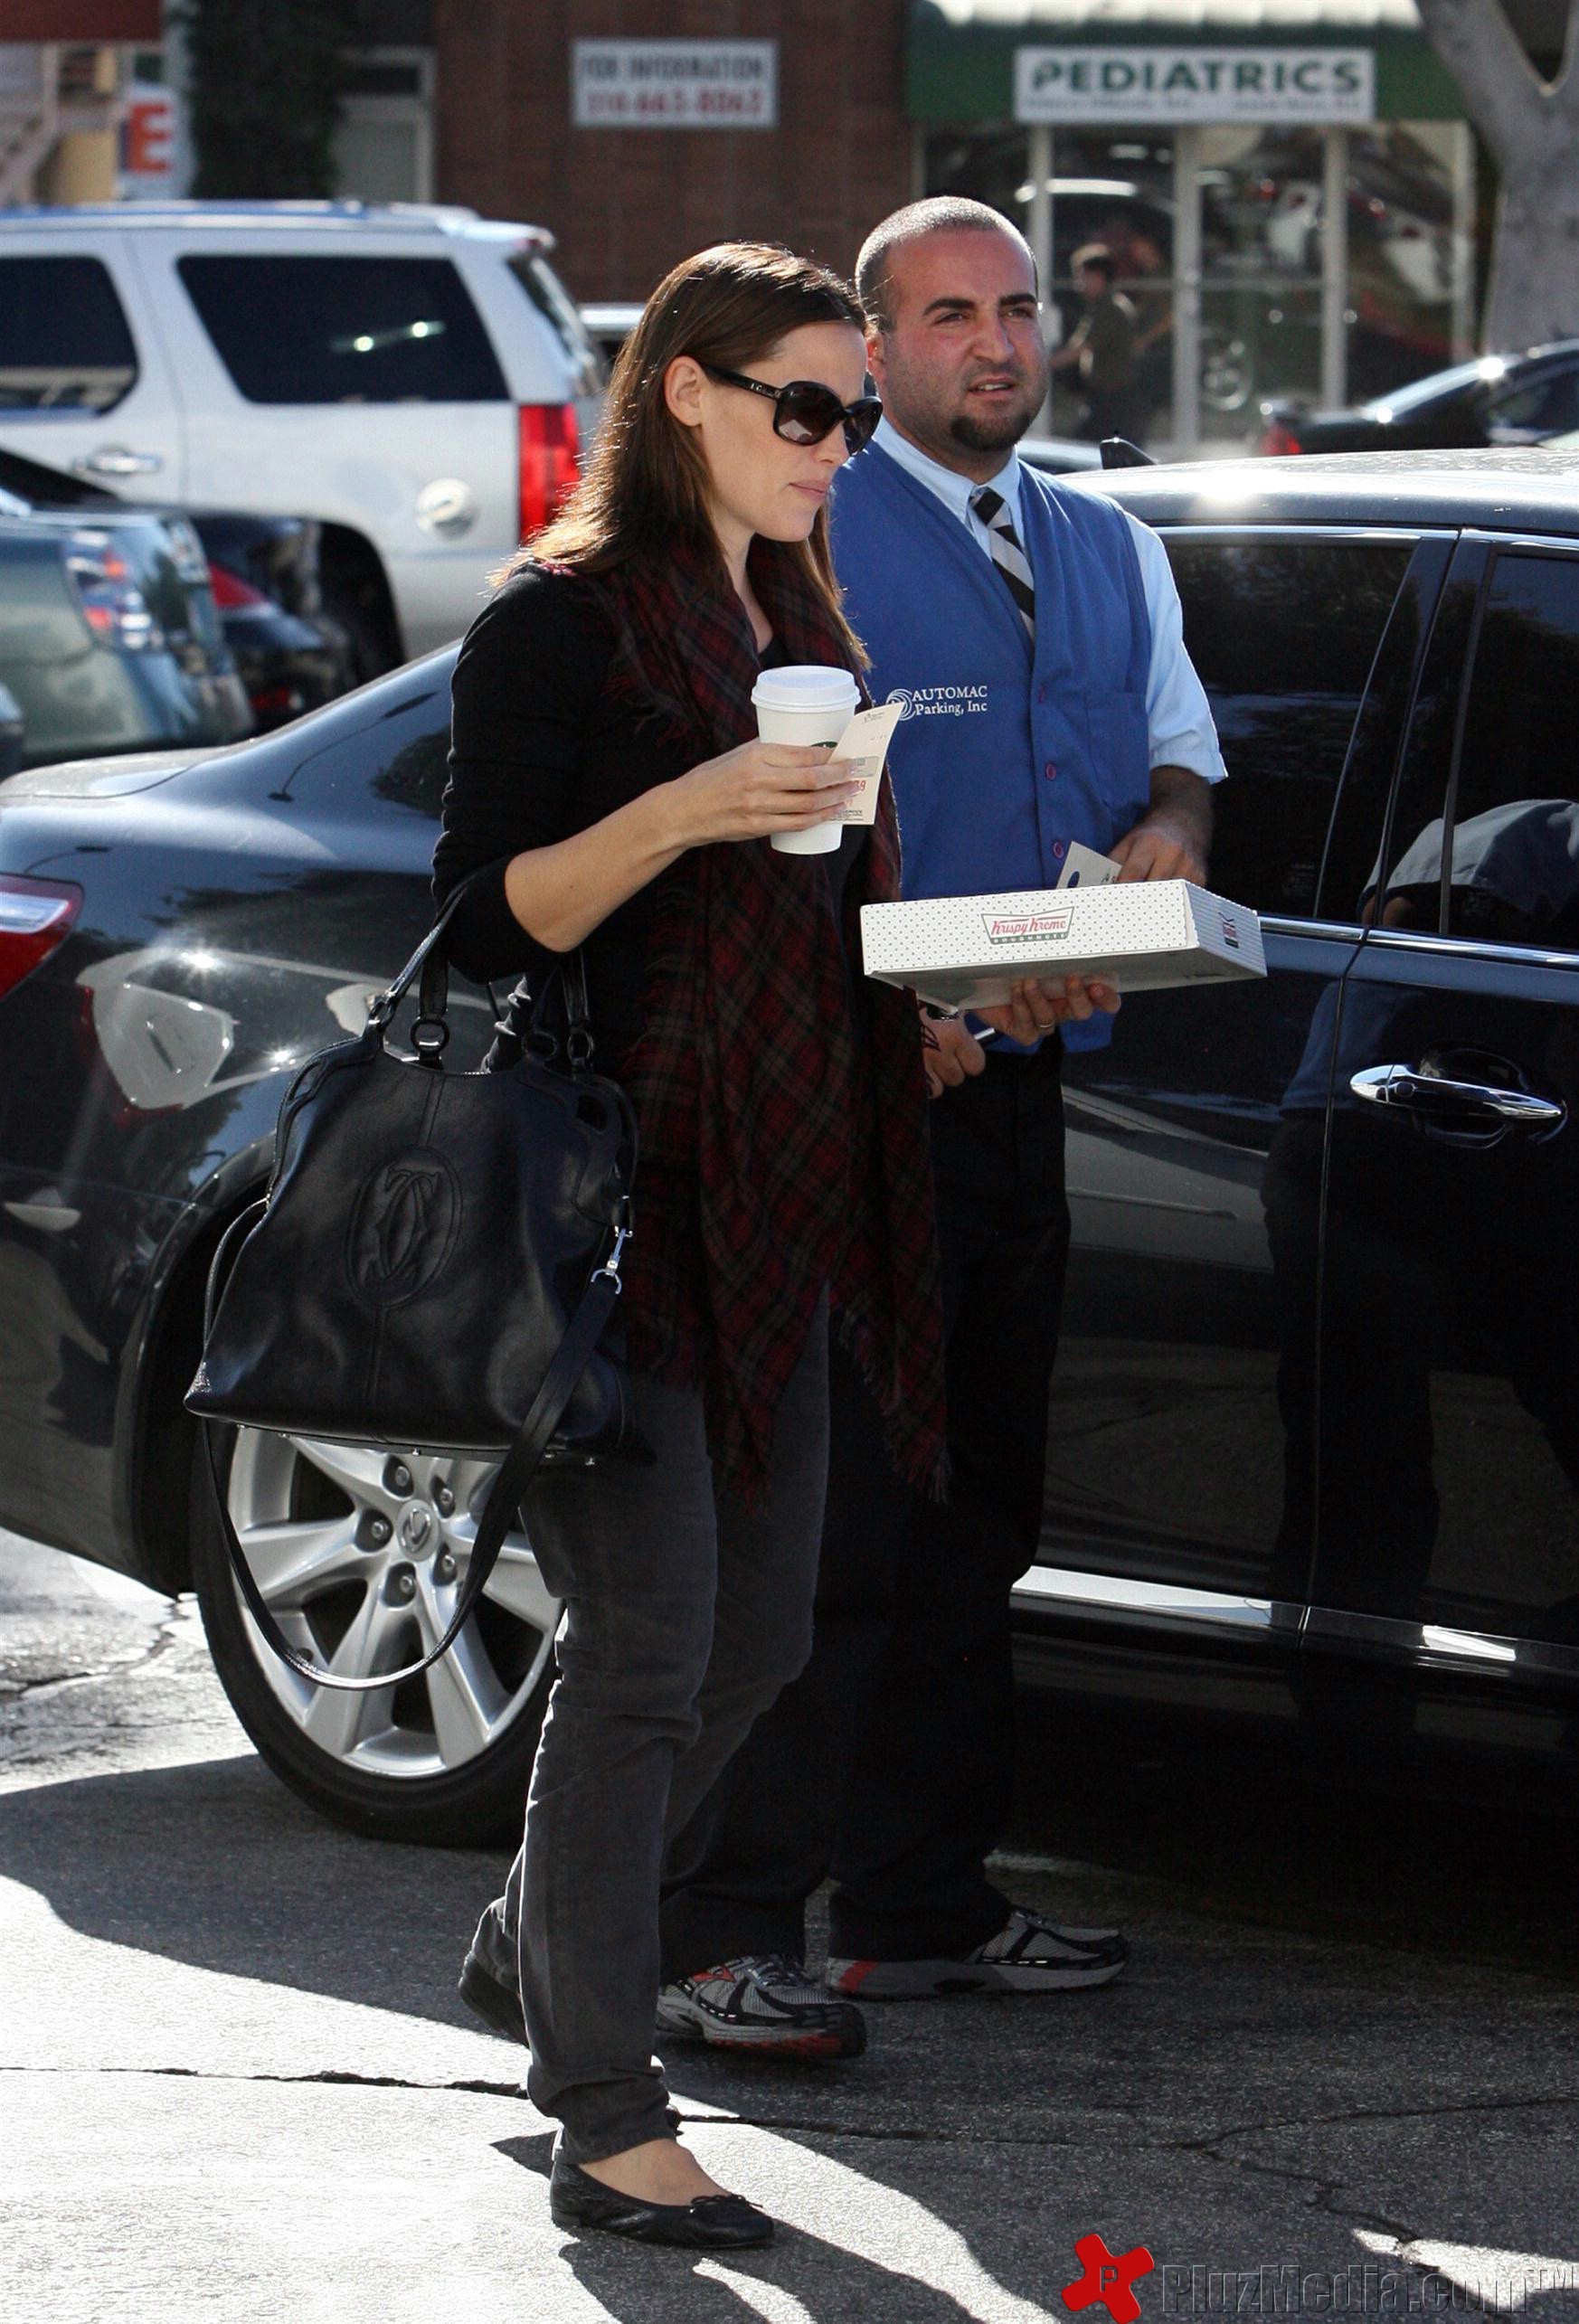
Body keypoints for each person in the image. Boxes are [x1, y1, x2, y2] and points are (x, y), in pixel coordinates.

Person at [656, 195, 1227, 2039]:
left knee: (980, 1520)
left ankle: (920, 1903)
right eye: (950, 313)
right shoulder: (802, 542)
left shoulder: (1107, 537)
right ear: (877, 351)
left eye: (1017, 308)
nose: (996, 341)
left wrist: (1165, 851)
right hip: (845, 1109)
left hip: (1019, 1101)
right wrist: (896, 1025)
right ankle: (719, 1928)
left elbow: (1181, 759)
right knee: (825, 1545)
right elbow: (740, 852)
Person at [436, 241, 946, 2247]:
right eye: (807, 407)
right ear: (688, 397)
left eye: (858, 414)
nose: (838, 445)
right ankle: (602, 2104)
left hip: (791, 1196)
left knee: (761, 1640)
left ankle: (523, 1947)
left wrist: (936, 1000)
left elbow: (795, 930)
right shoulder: (557, 623)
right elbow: (490, 920)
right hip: (619, 1201)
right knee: (647, 1653)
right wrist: (697, 801)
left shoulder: (802, 601)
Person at [1049, 241, 1143, 446]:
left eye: (1082, 276)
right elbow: (1078, 344)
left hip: (1115, 400)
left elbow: (1080, 349)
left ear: (1098, 277)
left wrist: (1042, 365)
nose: (1078, 283)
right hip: (1103, 399)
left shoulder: (1111, 309)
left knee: (1088, 451)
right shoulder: (1099, 308)